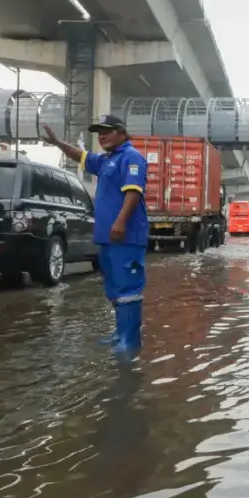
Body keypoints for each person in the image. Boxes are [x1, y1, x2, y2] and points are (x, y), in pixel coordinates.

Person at [42, 115, 149, 352]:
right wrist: (57, 142)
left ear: (122, 132)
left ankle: (130, 341)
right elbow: (82, 157)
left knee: (128, 287)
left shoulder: (132, 158)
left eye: (107, 131)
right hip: (108, 237)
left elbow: (133, 194)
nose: (101, 135)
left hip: (126, 236)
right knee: (114, 287)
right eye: (98, 132)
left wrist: (120, 222)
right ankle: (120, 333)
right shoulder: (108, 160)